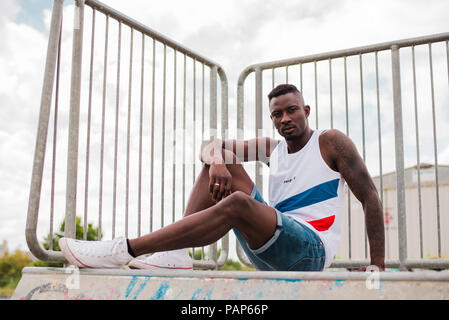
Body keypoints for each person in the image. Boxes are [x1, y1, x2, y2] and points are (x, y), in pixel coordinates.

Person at [59, 84, 385, 271]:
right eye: (277, 114)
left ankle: (124, 250)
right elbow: (209, 146)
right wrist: (216, 159)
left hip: (311, 251)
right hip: (273, 246)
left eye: (292, 110)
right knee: (221, 163)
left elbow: (370, 196)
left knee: (240, 202)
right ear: (271, 118)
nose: (285, 118)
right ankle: (174, 257)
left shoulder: (330, 142)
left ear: (307, 110)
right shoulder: (272, 149)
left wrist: (378, 265)